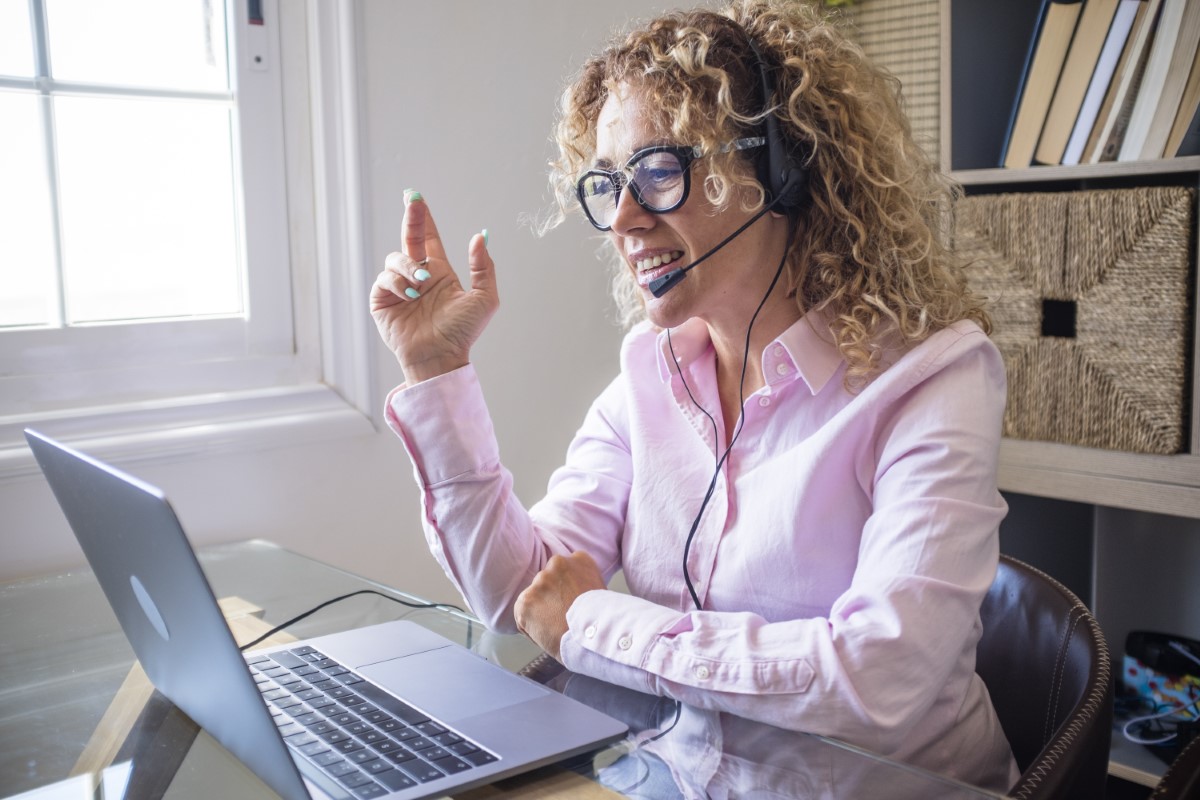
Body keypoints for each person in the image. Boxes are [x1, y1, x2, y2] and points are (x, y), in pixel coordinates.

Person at [369, 0, 1019, 795]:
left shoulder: (933, 379)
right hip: (663, 774)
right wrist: (437, 371)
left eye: (659, 173)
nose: (625, 220)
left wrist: (594, 623)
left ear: (778, 170)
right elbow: (519, 592)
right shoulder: (650, 373)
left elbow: (878, 677)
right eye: (609, 184)